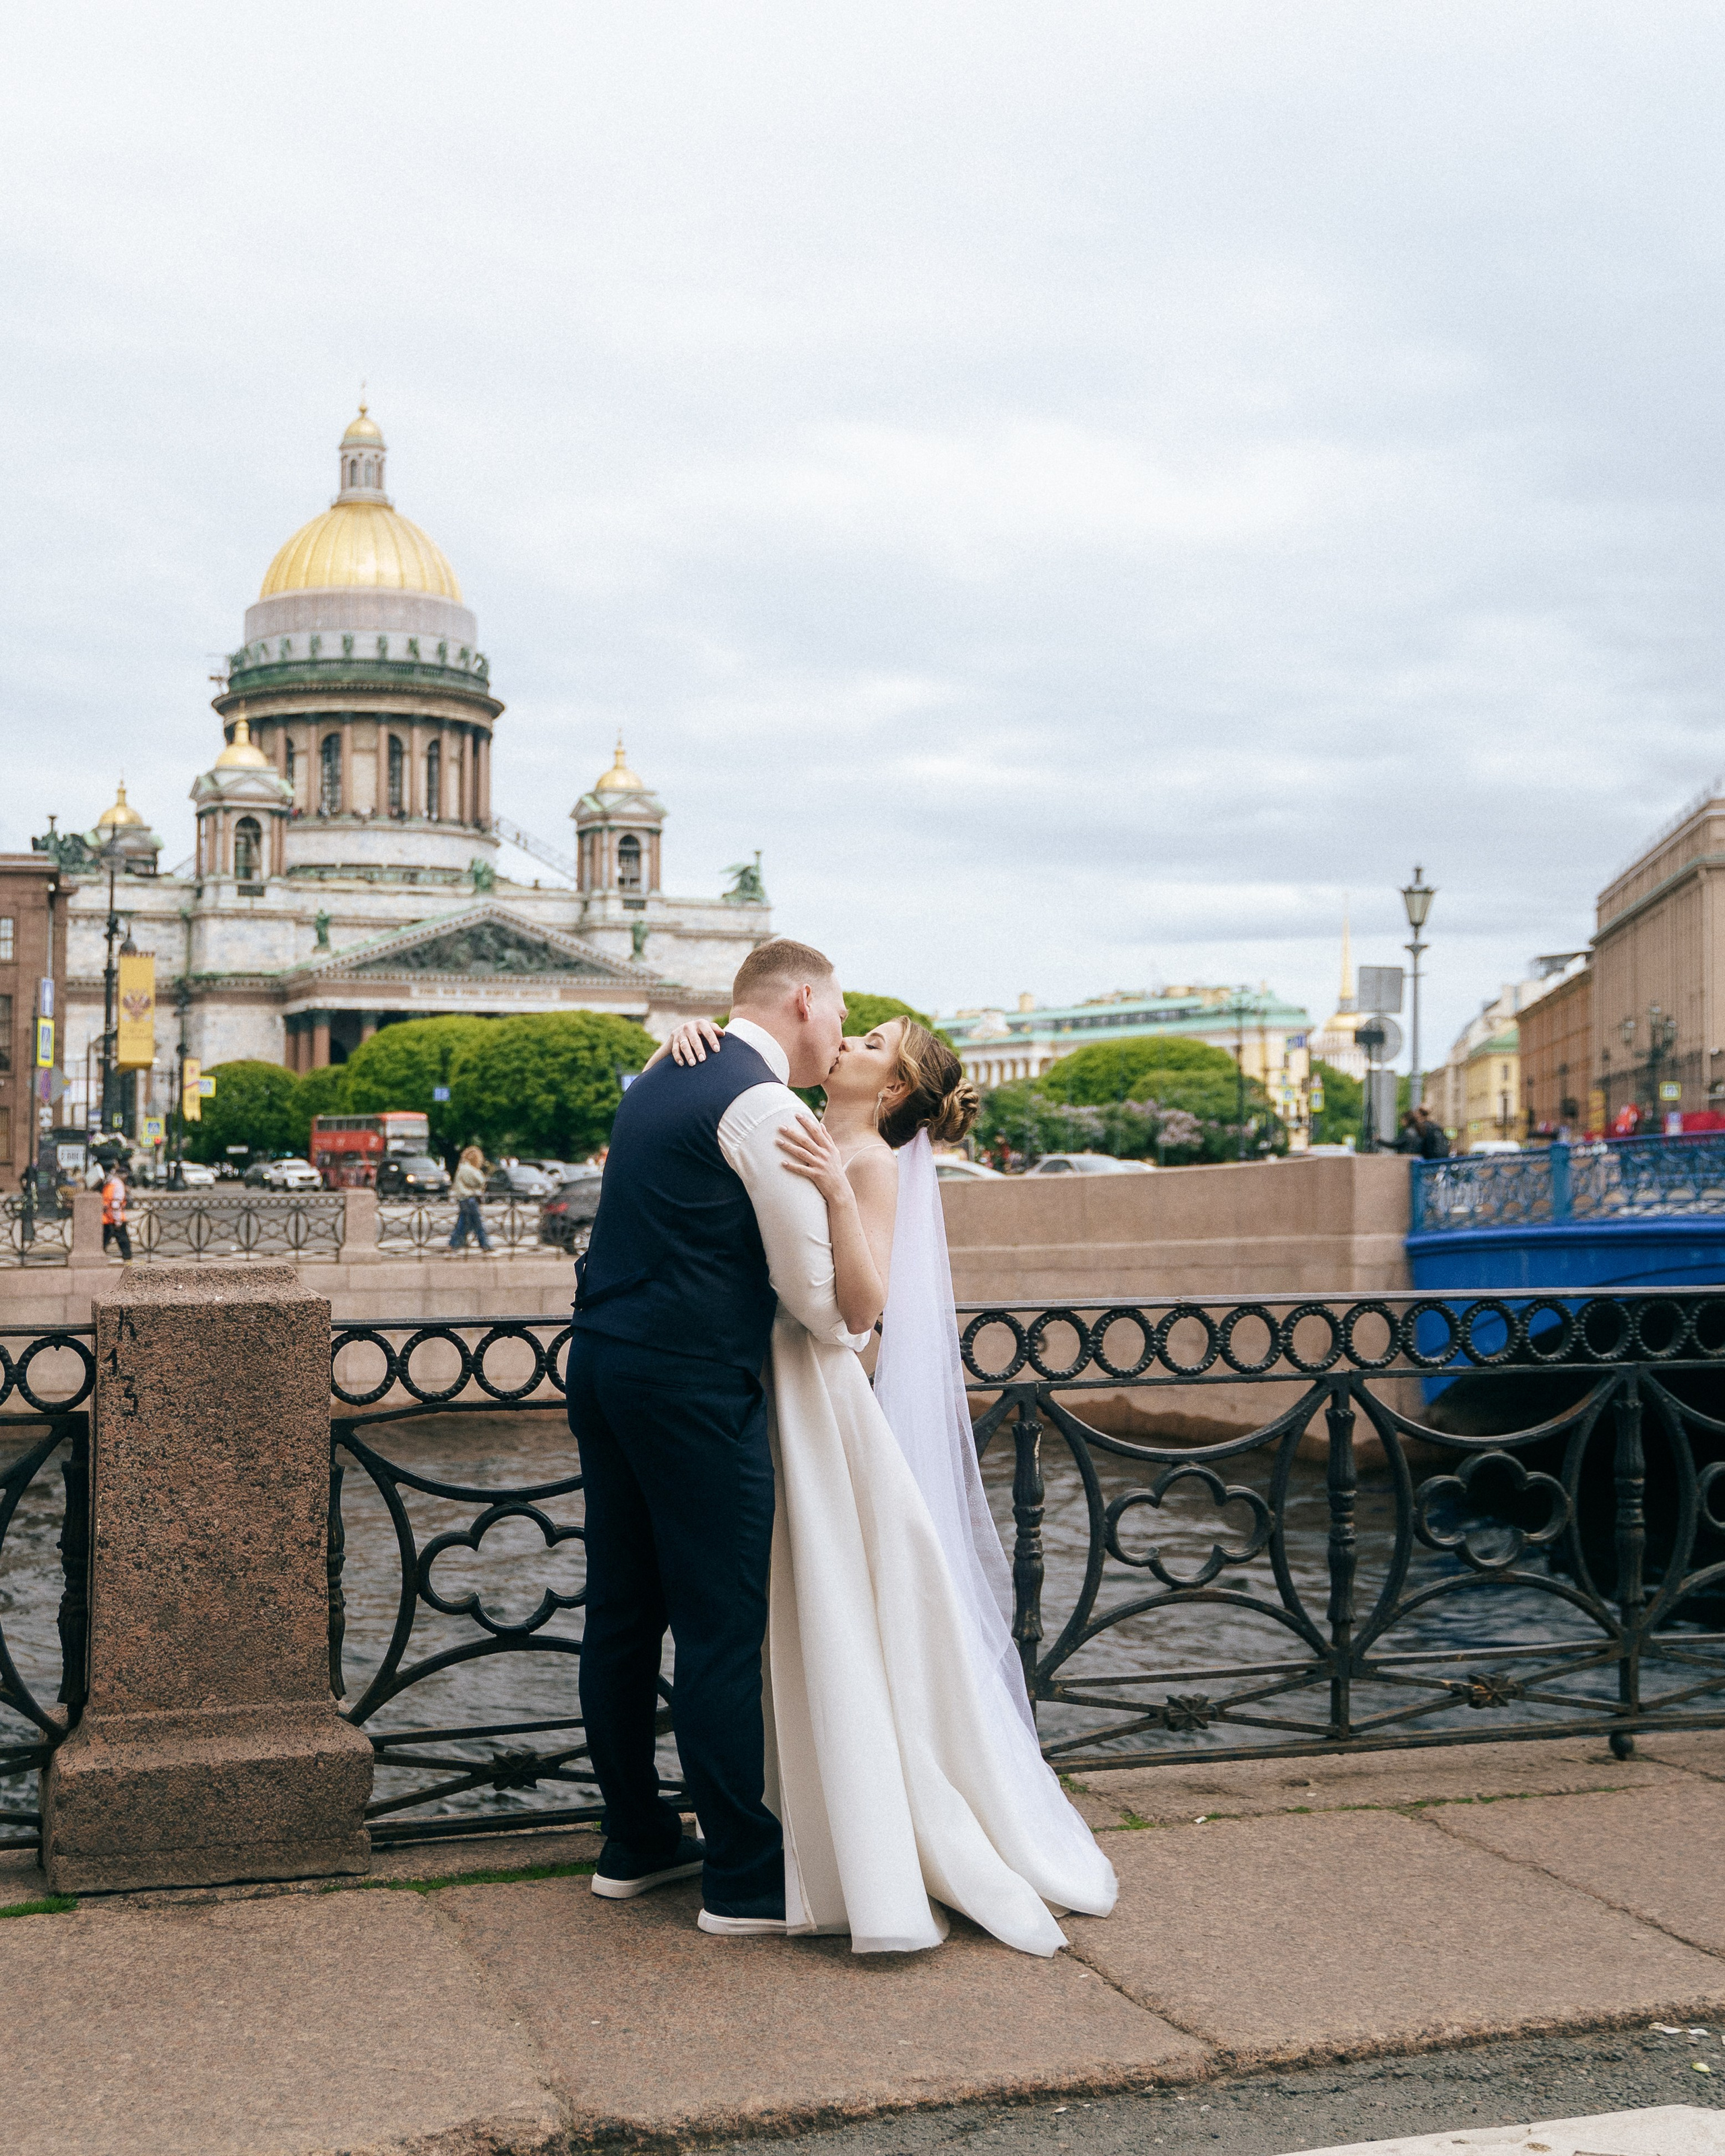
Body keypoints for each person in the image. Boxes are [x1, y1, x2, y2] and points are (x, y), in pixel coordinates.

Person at [638, 997, 1118, 1955]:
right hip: (761, 1386)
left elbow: (862, 1312)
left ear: (892, 1088)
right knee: (780, 1605)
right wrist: (679, 1044)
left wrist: (836, 1192)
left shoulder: (866, 1161)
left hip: (815, 1398)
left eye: (869, 1046)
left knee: (827, 1601)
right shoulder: (800, 1122)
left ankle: (847, 1828)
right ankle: (790, 1815)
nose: (846, 1045)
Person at [446, 1144, 493, 1254]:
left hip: (465, 1199)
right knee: (477, 1223)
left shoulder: (463, 1167)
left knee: (463, 1223)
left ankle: (453, 1244)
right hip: (469, 1198)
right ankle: (485, 1244)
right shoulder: (467, 1169)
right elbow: (479, 1180)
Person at [101, 1161, 132, 1262]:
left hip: (106, 1217)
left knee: (104, 1240)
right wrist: (118, 1220)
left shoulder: (110, 1183)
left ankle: (100, 1256)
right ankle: (128, 1259)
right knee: (123, 1240)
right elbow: (116, 1204)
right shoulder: (118, 1185)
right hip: (114, 1217)